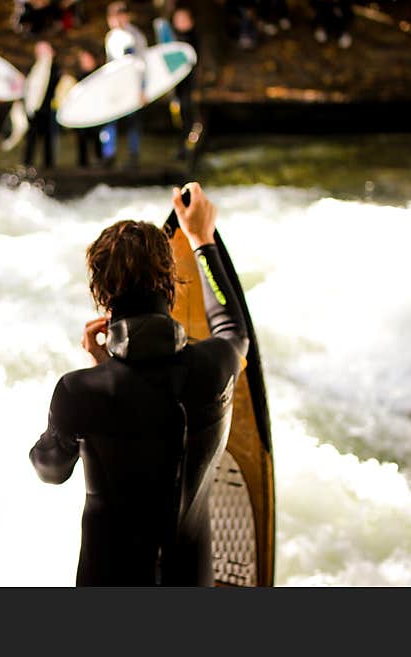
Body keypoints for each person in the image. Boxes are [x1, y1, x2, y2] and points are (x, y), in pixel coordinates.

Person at [30, 182, 249, 586]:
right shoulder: (215, 365)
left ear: (101, 296)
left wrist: (99, 370)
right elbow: (234, 329)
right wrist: (202, 238)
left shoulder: (81, 392)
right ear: (170, 282)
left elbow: (50, 469)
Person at [102, 2, 147, 168]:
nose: (118, 21)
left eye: (121, 16)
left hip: (133, 86)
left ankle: (133, 157)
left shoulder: (136, 36)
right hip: (115, 86)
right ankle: (109, 155)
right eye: (114, 17)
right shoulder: (111, 37)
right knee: (109, 120)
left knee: (132, 122)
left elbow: (142, 64)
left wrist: (142, 89)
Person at [23, 40, 61, 170]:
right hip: (35, 108)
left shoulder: (55, 68)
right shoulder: (34, 68)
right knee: (31, 137)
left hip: (48, 108)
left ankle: (49, 165)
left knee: (48, 138)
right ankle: (27, 163)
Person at [171, 5, 199, 160]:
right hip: (176, 89)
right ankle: (181, 147)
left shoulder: (192, 40)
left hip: (189, 87)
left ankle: (189, 147)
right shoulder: (170, 40)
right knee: (178, 116)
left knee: (189, 113)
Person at [73, 46, 101, 168]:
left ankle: (100, 160)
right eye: (82, 59)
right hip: (82, 112)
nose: (84, 61)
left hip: (96, 111)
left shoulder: (100, 74)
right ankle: (83, 163)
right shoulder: (79, 76)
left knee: (96, 137)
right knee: (81, 136)